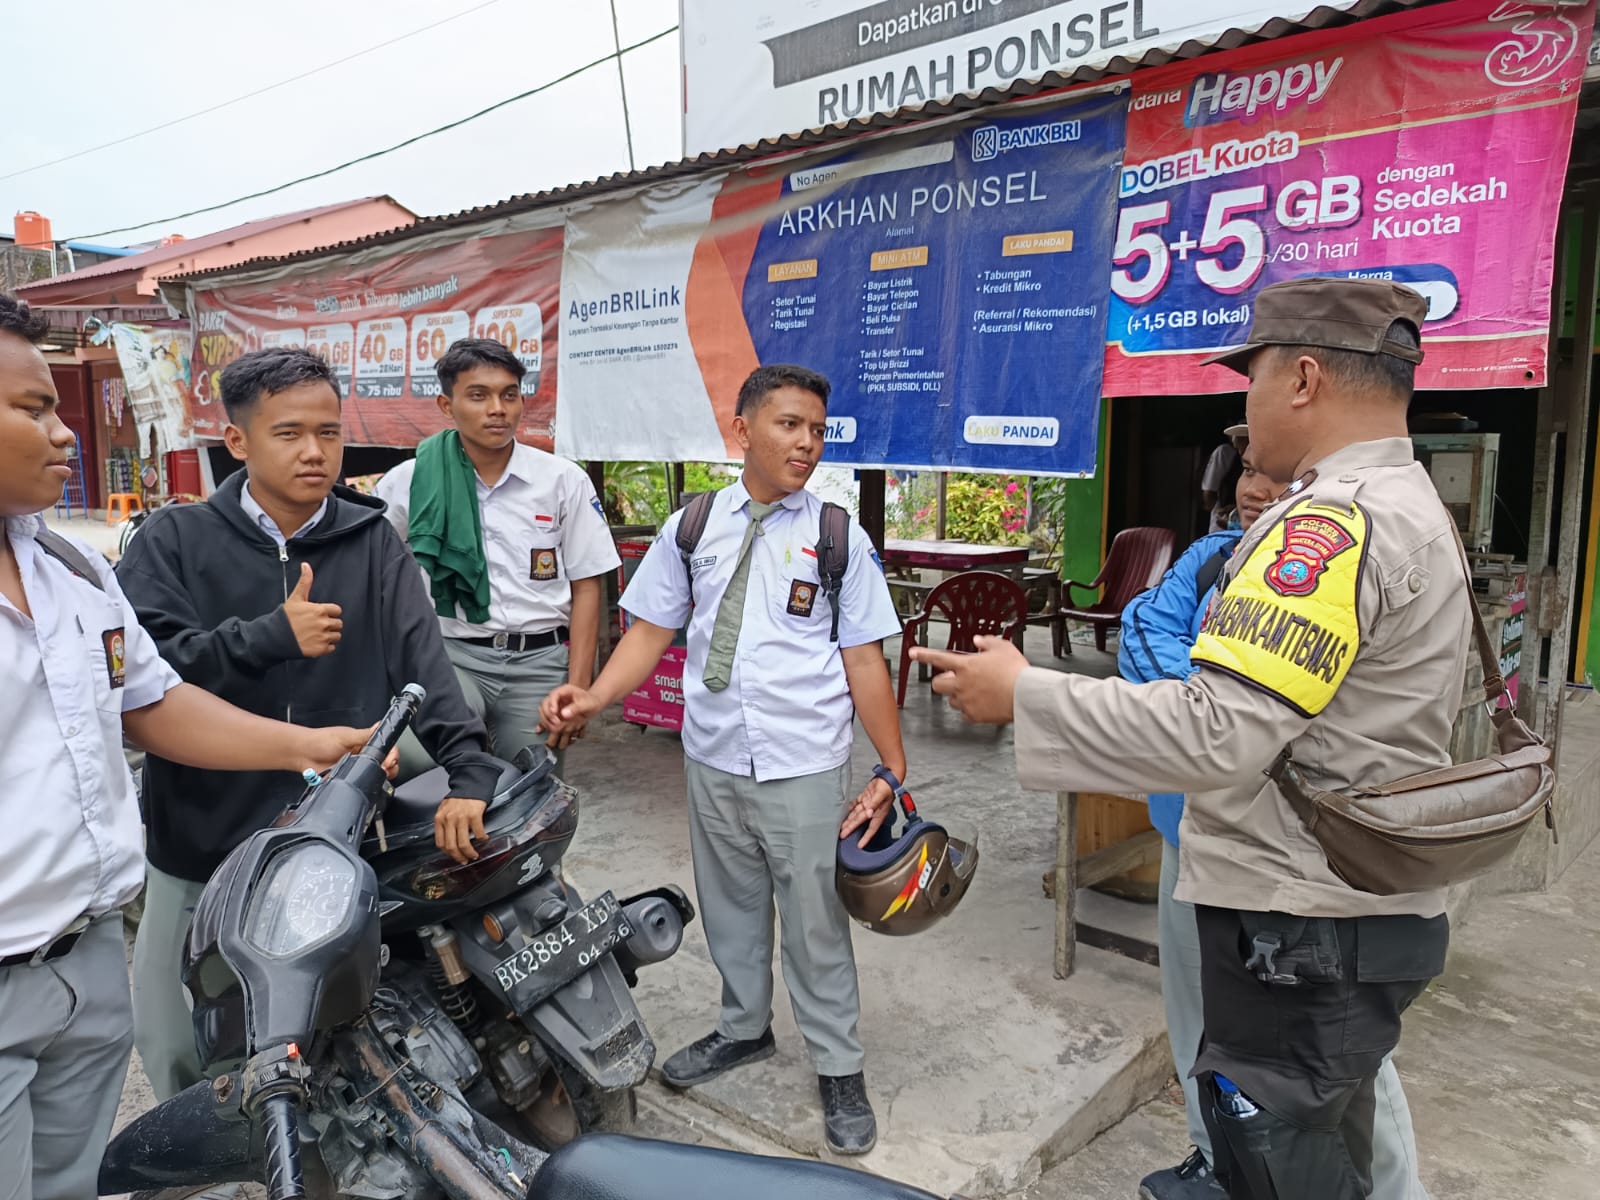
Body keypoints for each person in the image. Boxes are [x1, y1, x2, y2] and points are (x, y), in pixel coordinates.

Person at [914, 278, 1463, 1200]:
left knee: (1288, 1168)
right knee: (1339, 1155)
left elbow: (1219, 730)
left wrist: (1026, 694)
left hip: (1303, 920)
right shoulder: (1412, 503)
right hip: (1353, 905)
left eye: (1253, 377)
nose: (1246, 403)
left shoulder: (1332, 523)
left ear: (1303, 379)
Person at [0, 295, 378, 1200]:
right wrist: (270, 640)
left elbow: (155, 703)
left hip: (84, 954)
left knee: (67, 1181)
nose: (65, 432)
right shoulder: (173, 539)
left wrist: (311, 745)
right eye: (34, 407)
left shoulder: (72, 573)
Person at [539, 364, 909, 1156]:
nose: (806, 443)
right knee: (731, 906)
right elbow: (648, 631)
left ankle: (839, 1065)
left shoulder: (837, 536)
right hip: (712, 756)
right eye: (788, 424)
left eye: (817, 429)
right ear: (742, 429)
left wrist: (892, 766)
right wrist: (596, 696)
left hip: (804, 762)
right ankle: (744, 1027)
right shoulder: (694, 525)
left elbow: (865, 658)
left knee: (814, 922)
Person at [116, 346, 503, 1102]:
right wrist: (267, 638)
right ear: (238, 441)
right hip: (201, 840)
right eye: (289, 433)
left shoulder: (371, 540)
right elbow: (144, 679)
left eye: (328, 432)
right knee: (176, 1041)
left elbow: (426, 669)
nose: (315, 452)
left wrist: (470, 772)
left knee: (323, 1035)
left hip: (330, 842)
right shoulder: (174, 540)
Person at [1126, 442, 1428, 1200]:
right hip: (1190, 829)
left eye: (1280, 475)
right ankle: (1218, 1160)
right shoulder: (1210, 558)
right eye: (1249, 473)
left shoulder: (1336, 564)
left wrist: (1223, 714)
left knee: (1338, 1047)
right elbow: (1140, 631)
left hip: (1294, 852)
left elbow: (1326, 707)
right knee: (1198, 1017)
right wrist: (1220, 709)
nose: (1258, 490)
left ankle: (1395, 1193)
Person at [375, 337, 619, 780]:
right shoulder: (409, 481)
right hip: (450, 656)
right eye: (478, 395)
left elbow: (587, 584)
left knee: (530, 791)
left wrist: (577, 685)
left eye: (509, 395)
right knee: (406, 765)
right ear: (446, 405)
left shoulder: (561, 480)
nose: (497, 409)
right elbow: (375, 572)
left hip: (538, 664)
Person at [1199, 423, 1248, 533]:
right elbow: (1208, 494)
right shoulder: (1225, 452)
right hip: (1224, 524)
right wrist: (1222, 514)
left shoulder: (1260, 460)